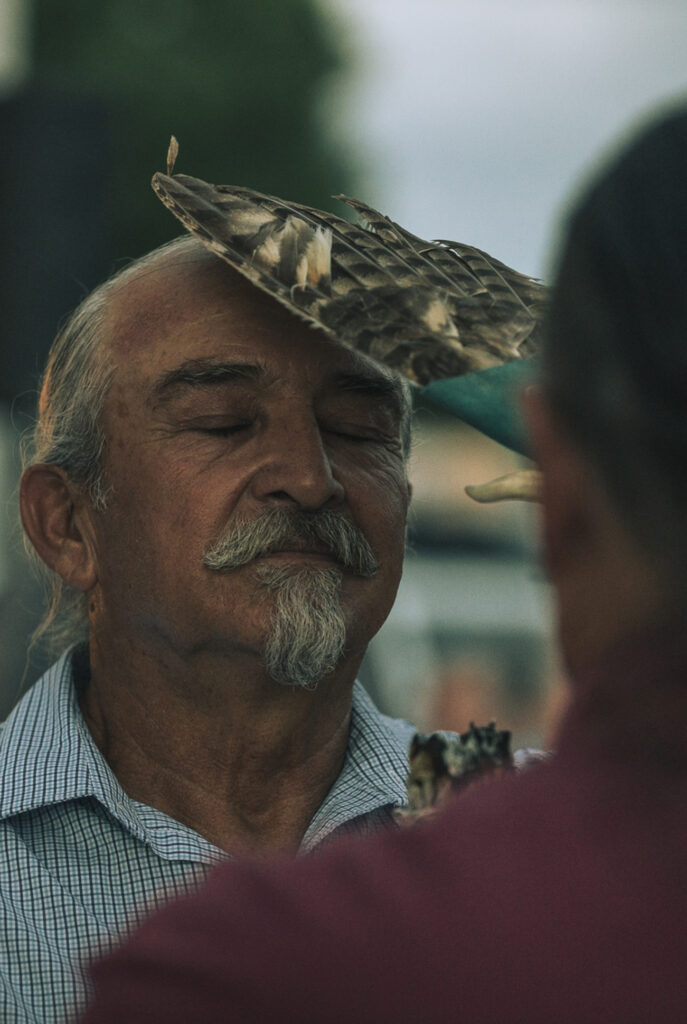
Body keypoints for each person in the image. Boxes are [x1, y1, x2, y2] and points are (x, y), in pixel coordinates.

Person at [81, 105, 687, 1023]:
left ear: (561, 504)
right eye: (219, 424)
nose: (307, 478)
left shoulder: (242, 981)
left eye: (360, 428)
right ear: (62, 523)